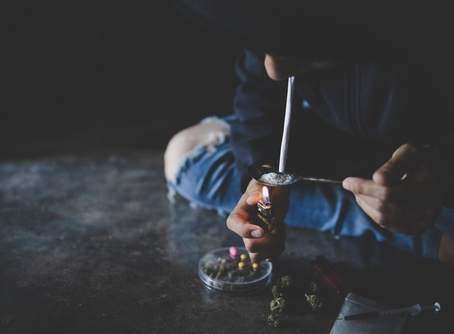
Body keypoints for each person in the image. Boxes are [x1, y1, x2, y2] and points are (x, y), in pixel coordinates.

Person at [164, 0, 454, 265]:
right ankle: (372, 209)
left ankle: (403, 224)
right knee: (187, 157)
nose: (273, 71)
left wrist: (440, 165)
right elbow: (259, 97)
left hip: (420, 167)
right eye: (266, 46)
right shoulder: (277, 20)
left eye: (303, 51)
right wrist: (264, 171)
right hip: (334, 137)